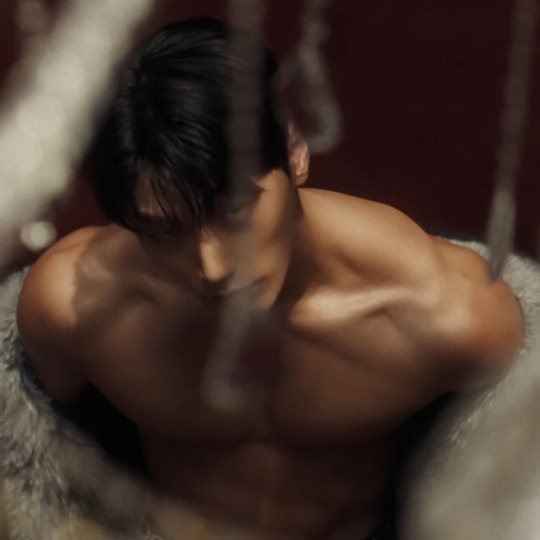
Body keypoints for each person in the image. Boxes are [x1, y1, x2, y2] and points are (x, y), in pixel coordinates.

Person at [15, 16, 524, 540]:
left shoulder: (450, 314)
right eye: (163, 232)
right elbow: (47, 449)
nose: (212, 267)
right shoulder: (74, 312)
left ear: (294, 150)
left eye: (234, 211)